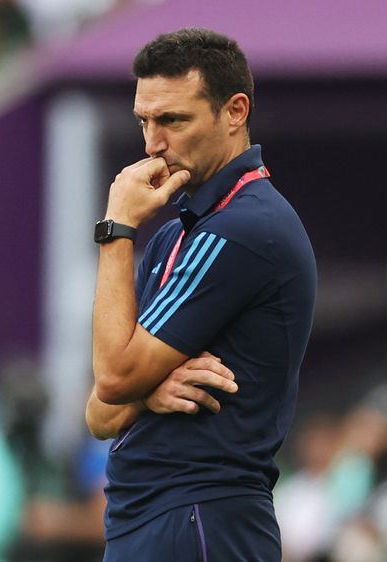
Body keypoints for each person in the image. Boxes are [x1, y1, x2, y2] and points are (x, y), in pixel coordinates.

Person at [84, 28, 317, 561]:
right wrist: (146, 391)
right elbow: (99, 414)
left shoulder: (245, 229)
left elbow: (112, 378)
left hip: (200, 517)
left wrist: (116, 229)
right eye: (144, 120)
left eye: (172, 120)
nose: (151, 144)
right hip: (151, 518)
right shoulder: (177, 234)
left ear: (235, 111)